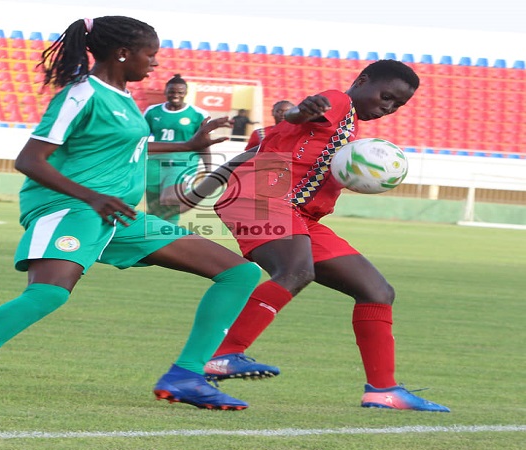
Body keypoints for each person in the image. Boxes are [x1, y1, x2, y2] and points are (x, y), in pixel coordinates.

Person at [0, 16, 260, 411]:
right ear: (123, 53)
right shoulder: (82, 94)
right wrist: (92, 197)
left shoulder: (123, 99)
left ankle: (186, 375)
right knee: (48, 294)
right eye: (149, 54)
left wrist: (187, 145)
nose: (155, 64)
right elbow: (30, 159)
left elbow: (125, 149)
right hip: (70, 208)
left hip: (113, 214)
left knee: (239, 272)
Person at [179, 60, 450, 412]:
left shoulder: (348, 132)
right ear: (362, 81)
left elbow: (254, 150)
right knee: (295, 270)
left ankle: (383, 390)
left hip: (298, 215)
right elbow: (299, 113)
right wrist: (296, 111)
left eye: (397, 105)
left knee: (377, 291)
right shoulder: (337, 102)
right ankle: (225, 353)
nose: (388, 107)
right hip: (259, 199)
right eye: (386, 96)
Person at [143, 74, 211, 224]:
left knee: (170, 199)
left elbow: (204, 144)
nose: (176, 95)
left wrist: (208, 169)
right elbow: (141, 139)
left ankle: (168, 235)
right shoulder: (152, 111)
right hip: (155, 163)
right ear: (165, 92)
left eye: (180, 92)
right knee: (155, 206)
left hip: (184, 162)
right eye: (172, 92)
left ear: (185, 93)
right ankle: (155, 236)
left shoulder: (198, 114)